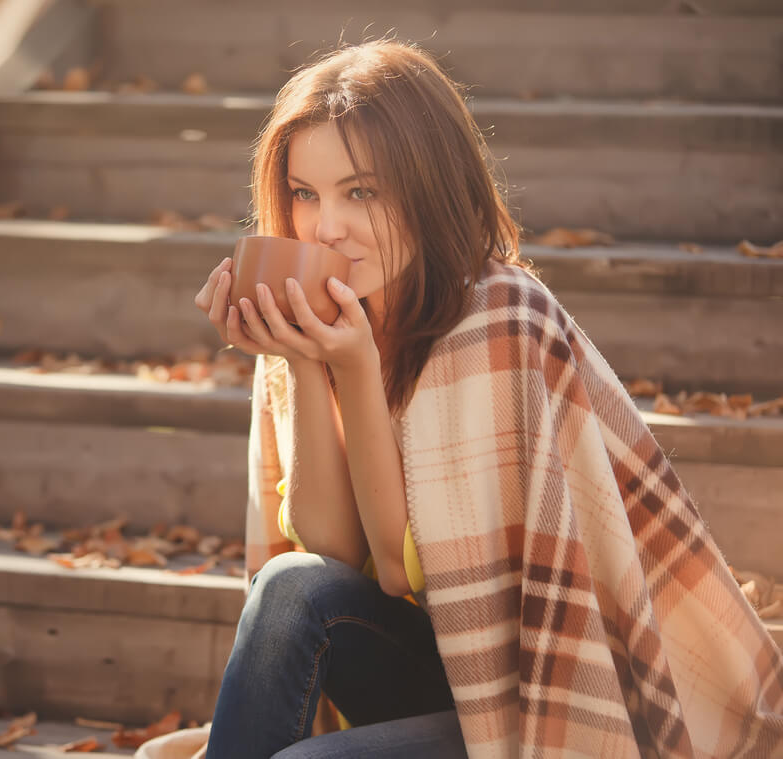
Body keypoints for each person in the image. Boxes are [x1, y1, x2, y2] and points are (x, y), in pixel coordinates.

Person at [190, 40, 783, 759]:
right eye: (305, 194)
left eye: (362, 191)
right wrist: (306, 363)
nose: (327, 226)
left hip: (544, 691)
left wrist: (348, 363)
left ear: (429, 187)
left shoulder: (498, 317)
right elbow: (335, 556)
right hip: (430, 676)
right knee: (290, 588)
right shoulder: (316, 313)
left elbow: (397, 560)